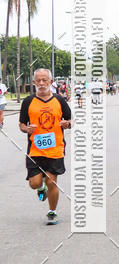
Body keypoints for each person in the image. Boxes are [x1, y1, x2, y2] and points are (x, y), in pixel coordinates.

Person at [19, 68, 71, 225]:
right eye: (38, 80)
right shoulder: (28, 101)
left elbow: (70, 120)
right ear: (34, 82)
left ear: (51, 81)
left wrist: (67, 124)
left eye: (44, 80)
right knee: (34, 183)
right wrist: (26, 129)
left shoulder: (59, 100)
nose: (41, 83)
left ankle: (52, 212)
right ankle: (41, 188)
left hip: (55, 149)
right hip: (35, 150)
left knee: (51, 181)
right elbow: (21, 124)